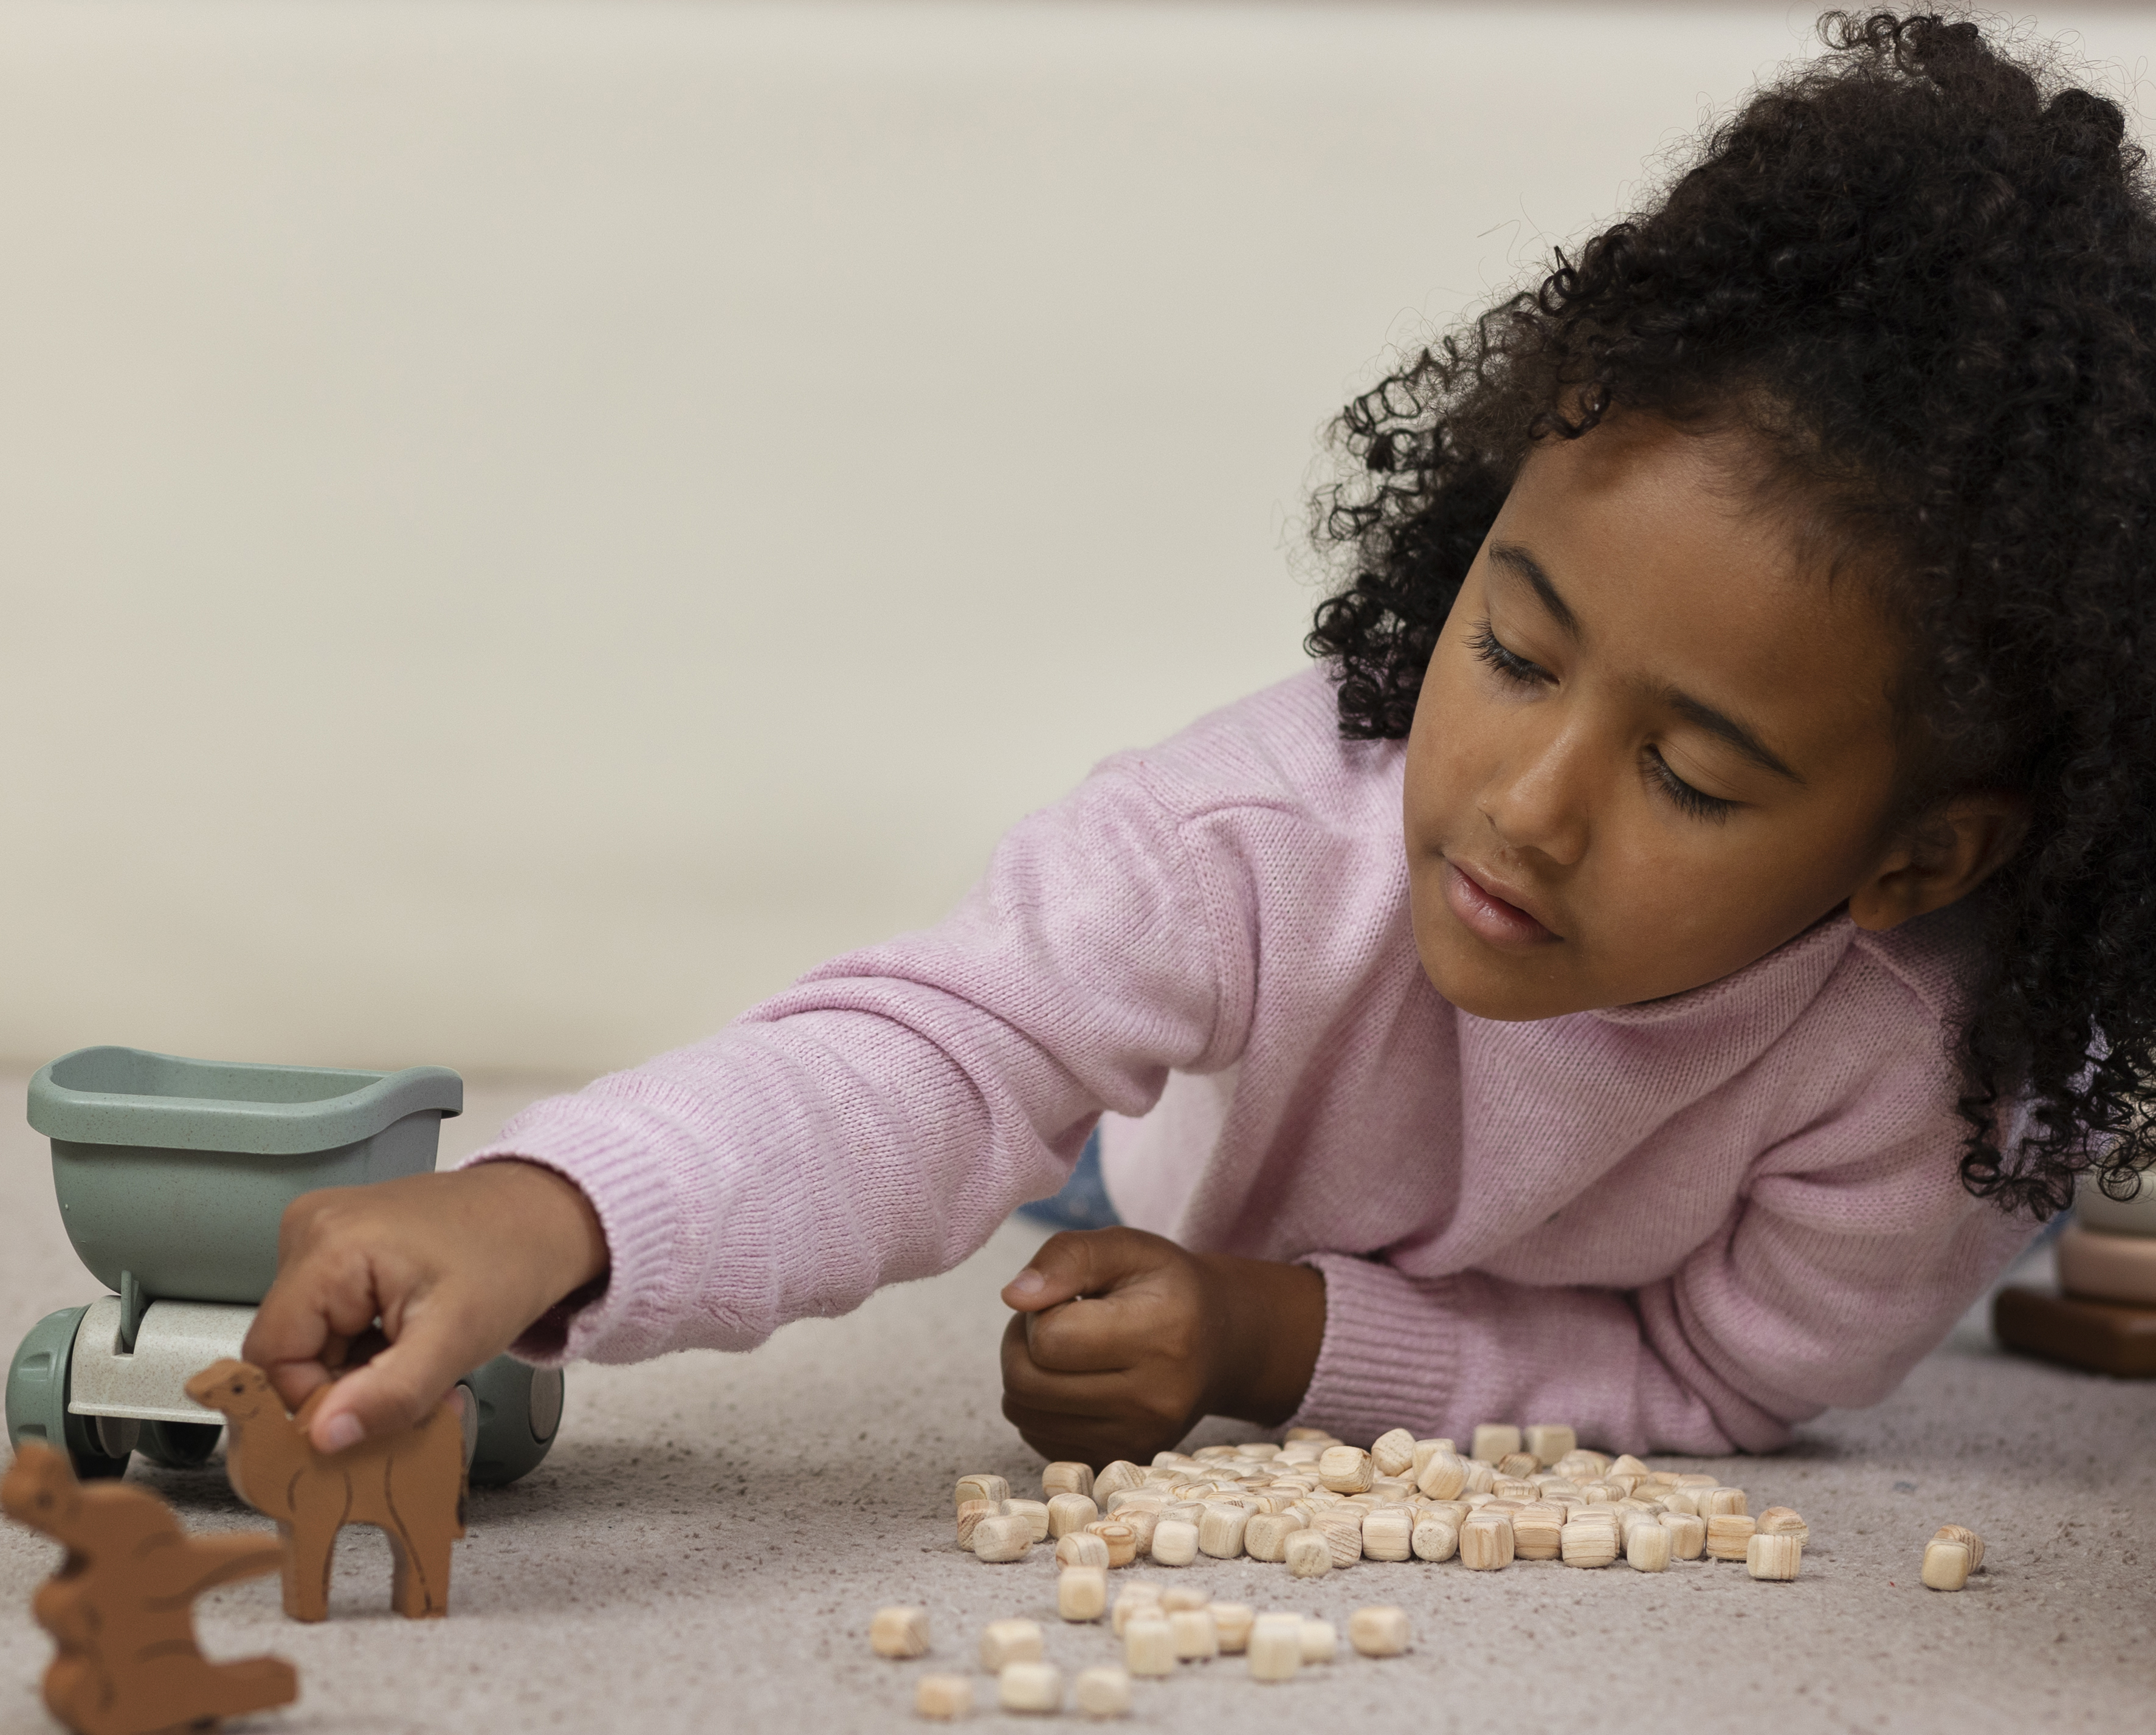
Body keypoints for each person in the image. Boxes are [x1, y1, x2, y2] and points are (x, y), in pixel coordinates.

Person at [243, 11, 2156, 1466]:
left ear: (1911, 863)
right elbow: (928, 1058)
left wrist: (1275, 1343)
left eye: (1687, 777)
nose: (1525, 804)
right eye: (1509, 649)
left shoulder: (1924, 1087)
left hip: (1502, 1230)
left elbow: (1711, 1377)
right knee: (1049, 1098)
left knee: (2046, 1173)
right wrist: (547, 1208)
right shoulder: (1249, 845)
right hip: (1173, 1153)